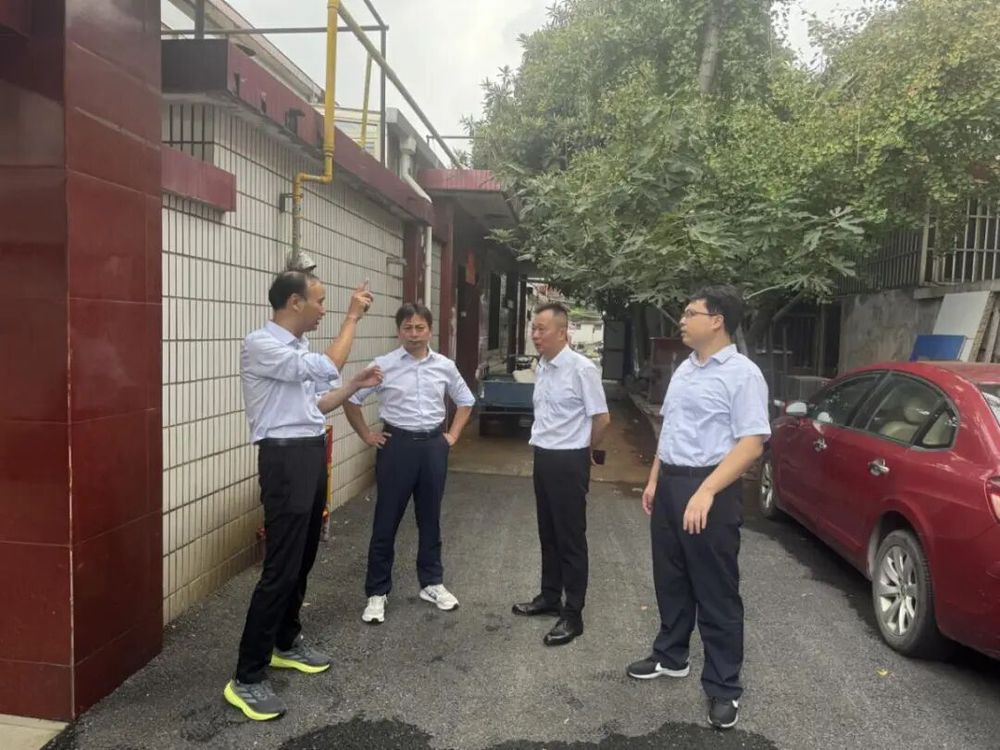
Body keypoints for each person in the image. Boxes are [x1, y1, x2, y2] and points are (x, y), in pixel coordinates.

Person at [224, 273, 379, 721]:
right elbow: (329, 365)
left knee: (304, 555)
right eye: (319, 301)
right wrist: (353, 317)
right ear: (294, 302)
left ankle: (285, 641)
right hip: (284, 459)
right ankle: (246, 677)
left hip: (309, 451)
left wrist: (354, 385)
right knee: (281, 567)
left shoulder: (297, 349)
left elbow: (318, 404)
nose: (324, 309)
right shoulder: (261, 344)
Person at [625, 286, 770, 731]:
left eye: (691, 313)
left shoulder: (743, 375)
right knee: (670, 577)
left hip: (712, 487)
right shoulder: (686, 368)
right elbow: (670, 428)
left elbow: (752, 442)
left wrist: (706, 491)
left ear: (717, 320)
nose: (682, 320)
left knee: (715, 588)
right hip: (672, 483)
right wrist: (655, 479)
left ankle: (724, 686)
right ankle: (671, 656)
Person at [344, 302, 476, 624]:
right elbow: (351, 399)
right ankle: (377, 592)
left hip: (433, 447)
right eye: (407, 328)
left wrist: (452, 436)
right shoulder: (383, 365)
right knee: (386, 520)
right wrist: (366, 435)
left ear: (430, 330)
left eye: (420, 328)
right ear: (398, 331)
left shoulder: (444, 366)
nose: (414, 334)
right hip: (397, 447)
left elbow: (466, 400)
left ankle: (431, 583)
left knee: (430, 518)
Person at [512, 302, 610, 646]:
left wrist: (585, 450)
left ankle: (573, 613)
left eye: (542, 329)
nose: (535, 335)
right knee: (548, 532)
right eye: (534, 329)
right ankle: (550, 596)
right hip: (544, 456)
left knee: (570, 538)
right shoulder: (543, 366)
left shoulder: (581, 369)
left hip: (569, 459)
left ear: (562, 332)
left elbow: (602, 418)